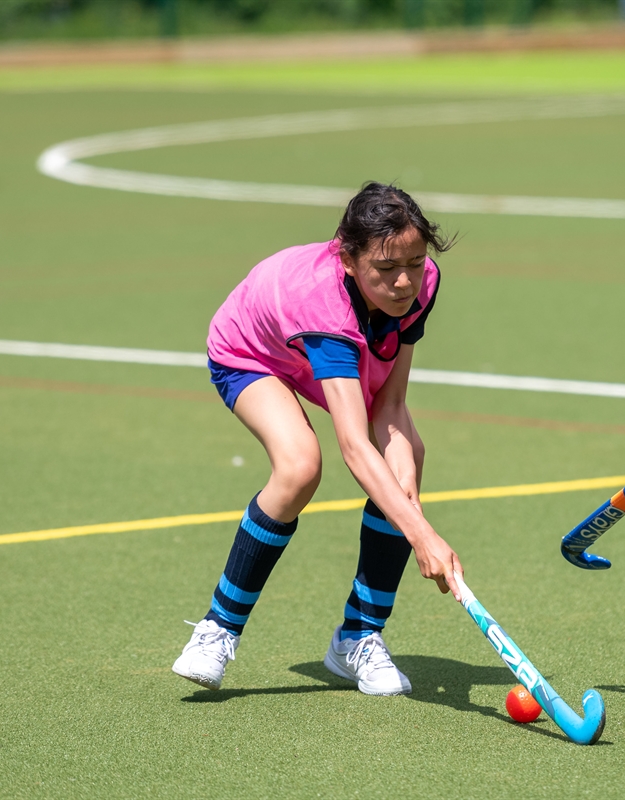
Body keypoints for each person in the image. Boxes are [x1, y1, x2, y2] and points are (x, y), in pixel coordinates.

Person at [173, 182, 465, 696]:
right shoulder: (323, 304)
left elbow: (391, 406)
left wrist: (408, 500)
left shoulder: (419, 286)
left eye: (415, 263)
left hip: (333, 342)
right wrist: (422, 536)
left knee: (408, 461)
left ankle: (358, 636)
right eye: (386, 268)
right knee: (300, 466)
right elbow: (353, 444)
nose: (404, 282)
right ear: (348, 259)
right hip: (253, 353)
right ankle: (218, 628)